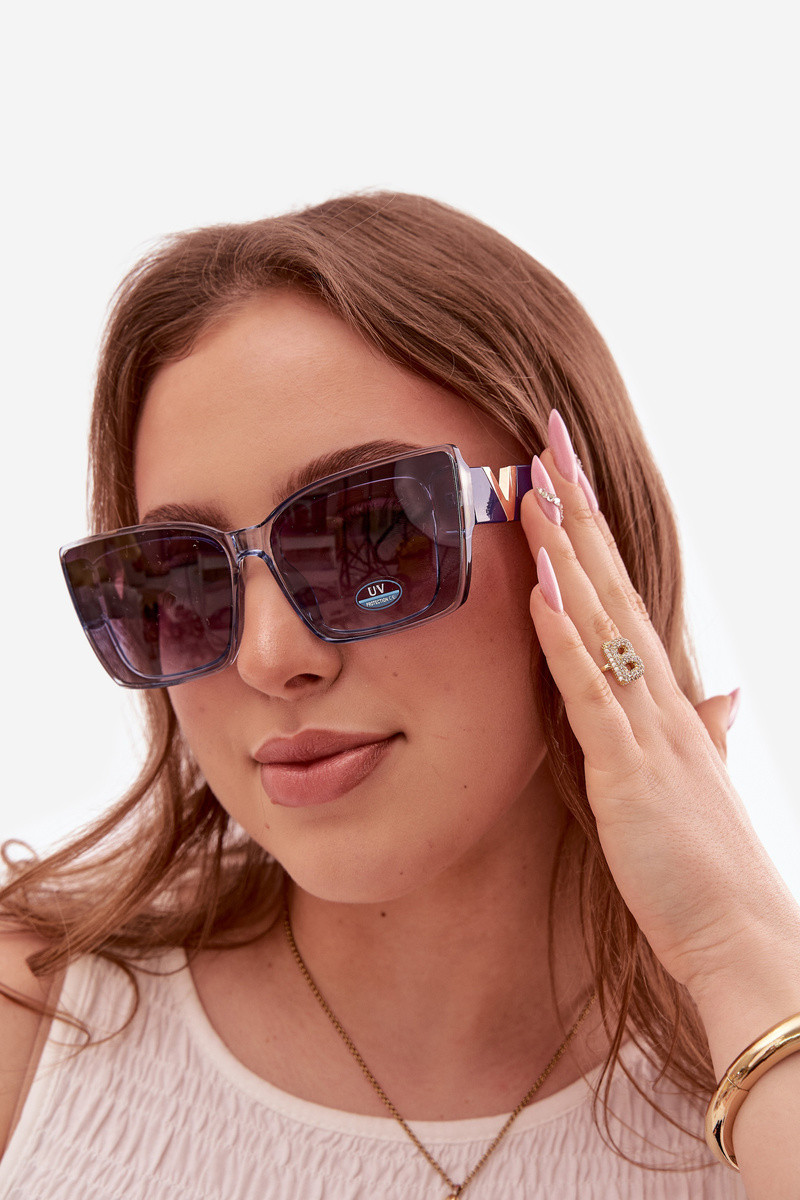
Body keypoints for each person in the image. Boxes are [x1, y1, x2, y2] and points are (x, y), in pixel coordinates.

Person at [0, 192, 797, 1200]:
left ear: (577, 529)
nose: (269, 656)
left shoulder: (763, 1073)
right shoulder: (29, 1030)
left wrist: (739, 952)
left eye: (373, 537)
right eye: (179, 579)